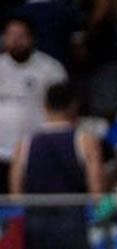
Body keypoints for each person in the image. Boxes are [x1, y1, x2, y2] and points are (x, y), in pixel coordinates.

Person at [10, 82, 104, 249]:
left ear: (44, 107)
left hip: (35, 230)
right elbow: (97, 193)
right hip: (72, 229)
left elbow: (16, 196)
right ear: (74, 107)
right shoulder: (85, 141)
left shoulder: (24, 144)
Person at [0, 15, 67, 193]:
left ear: (32, 38)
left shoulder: (51, 69)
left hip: (36, 152)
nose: (16, 41)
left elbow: (61, 112)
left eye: (21, 36)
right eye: (11, 35)